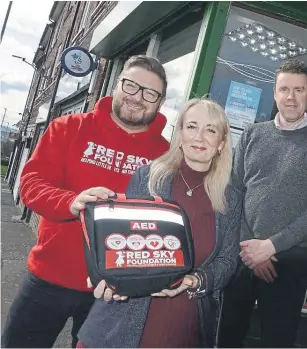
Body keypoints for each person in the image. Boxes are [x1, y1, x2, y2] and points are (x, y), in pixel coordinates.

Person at [1, 55, 171, 348]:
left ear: (160, 101)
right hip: (48, 278)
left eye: (150, 93)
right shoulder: (68, 127)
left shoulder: (166, 155)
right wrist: (70, 201)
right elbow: (31, 183)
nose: (138, 97)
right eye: (131, 86)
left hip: (113, 292)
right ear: (117, 85)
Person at [76, 98, 242, 348]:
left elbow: (227, 262)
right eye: (192, 126)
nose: (200, 137)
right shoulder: (148, 177)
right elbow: (122, 243)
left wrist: (194, 281)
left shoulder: (231, 198)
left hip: (183, 325)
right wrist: (107, 276)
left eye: (211, 130)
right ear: (180, 134)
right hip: (122, 323)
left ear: (221, 143)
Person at [217, 59, 307, 348]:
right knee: (226, 336)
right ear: (274, 93)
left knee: (278, 340)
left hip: (289, 261)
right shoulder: (252, 135)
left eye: (299, 90)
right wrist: (251, 249)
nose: (290, 97)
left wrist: (269, 247)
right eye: (284, 89)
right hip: (242, 255)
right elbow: (234, 194)